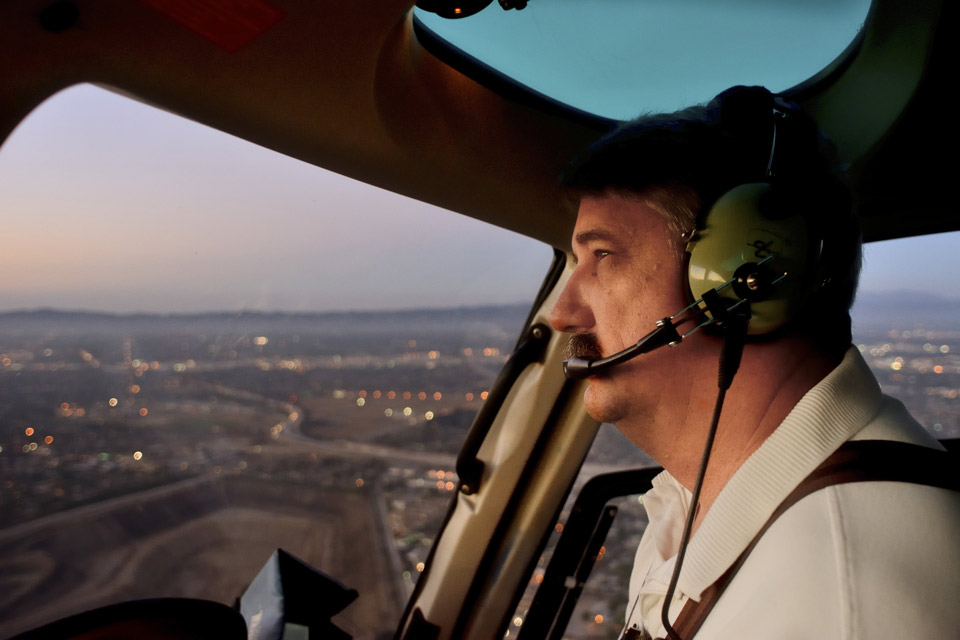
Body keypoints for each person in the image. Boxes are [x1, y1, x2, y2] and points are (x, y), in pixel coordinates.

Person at [548, 86, 959, 639]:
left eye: (603, 256)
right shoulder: (694, 502)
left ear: (744, 280)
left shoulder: (835, 598)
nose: (562, 314)